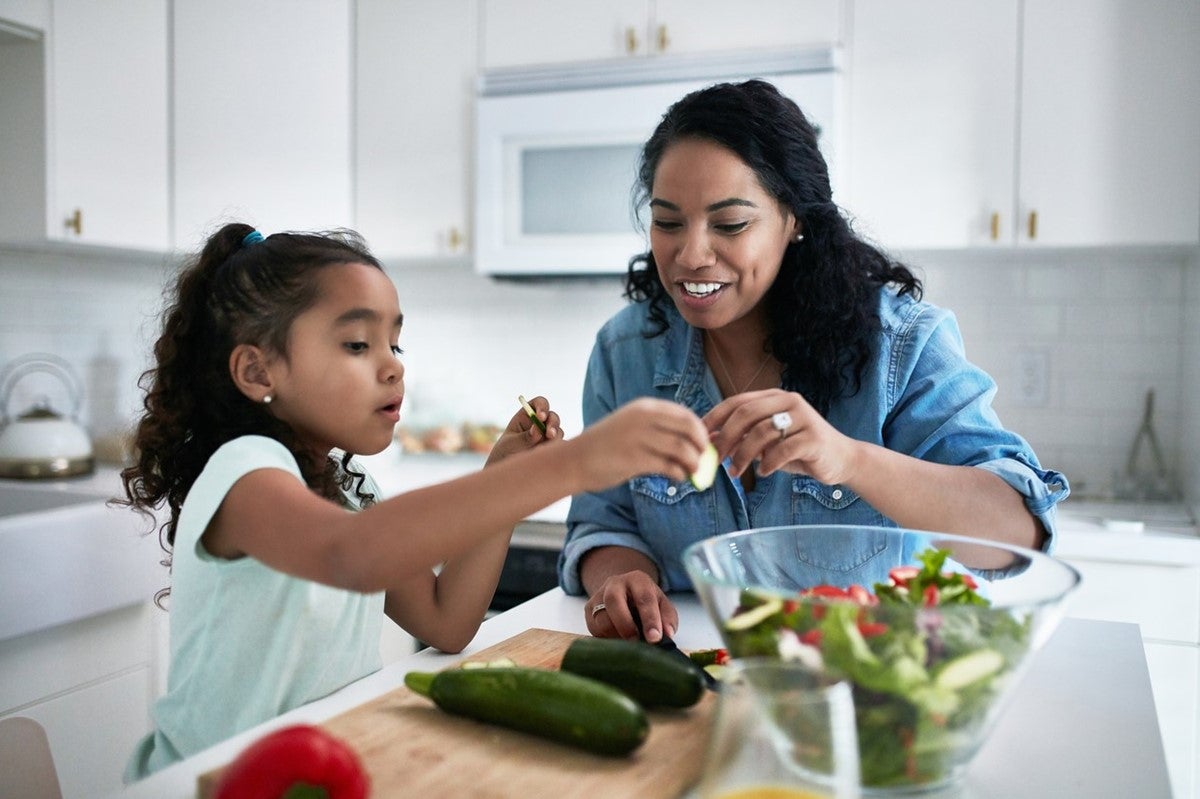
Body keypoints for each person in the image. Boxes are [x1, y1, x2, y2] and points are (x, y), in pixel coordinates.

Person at [118, 223, 711, 779]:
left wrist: (504, 476)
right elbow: (351, 555)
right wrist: (574, 463)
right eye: (357, 344)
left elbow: (446, 621)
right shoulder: (245, 472)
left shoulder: (352, 492)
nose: (392, 369)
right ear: (257, 370)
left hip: (315, 766)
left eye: (395, 346)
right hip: (203, 782)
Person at [558, 79, 1070, 643]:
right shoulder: (624, 352)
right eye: (668, 222)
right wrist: (624, 576)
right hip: (688, 681)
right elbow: (604, 521)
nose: (691, 256)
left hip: (863, 687)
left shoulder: (900, 346)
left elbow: (1017, 531)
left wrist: (848, 459)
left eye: (730, 225)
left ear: (794, 219)